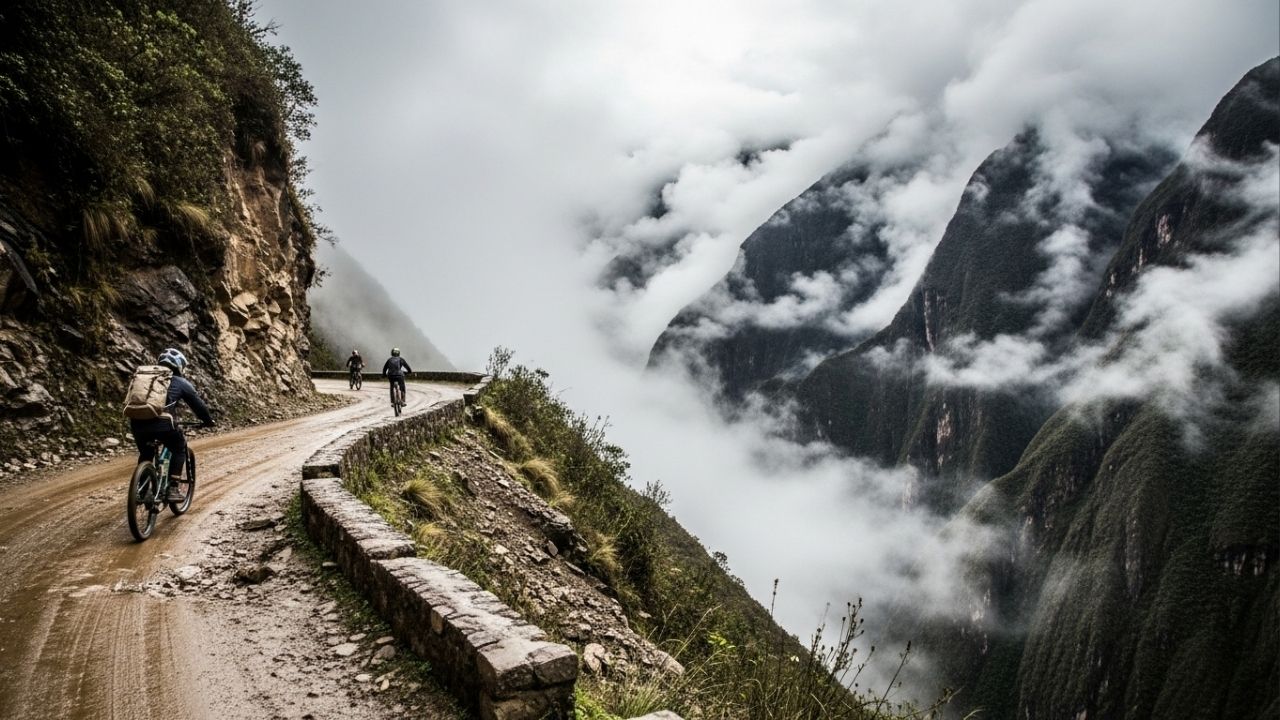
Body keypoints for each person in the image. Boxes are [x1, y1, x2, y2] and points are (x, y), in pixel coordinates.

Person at [130, 348, 214, 502]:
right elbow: (199, 407)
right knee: (179, 447)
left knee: (146, 453)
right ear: (180, 366)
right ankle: (173, 489)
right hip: (162, 424)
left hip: (137, 422)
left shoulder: (146, 379)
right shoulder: (180, 382)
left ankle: (142, 491)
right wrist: (208, 422)